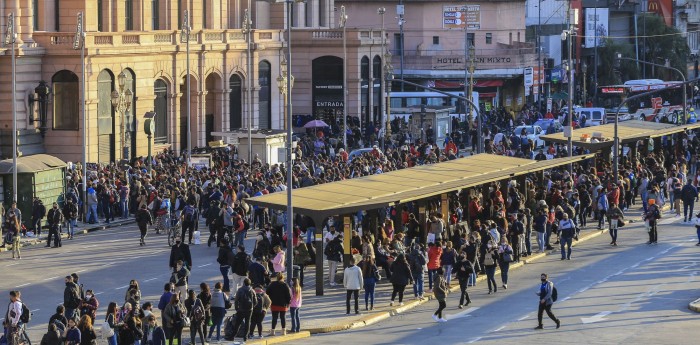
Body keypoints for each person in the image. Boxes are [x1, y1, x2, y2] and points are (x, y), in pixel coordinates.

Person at [232, 278, 256, 343]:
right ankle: (245, 336)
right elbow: (255, 301)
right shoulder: (252, 290)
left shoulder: (240, 290)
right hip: (249, 309)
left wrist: (237, 308)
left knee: (238, 323)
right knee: (247, 322)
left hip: (241, 309)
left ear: (244, 283)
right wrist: (252, 307)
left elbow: (236, 300)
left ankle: (233, 335)